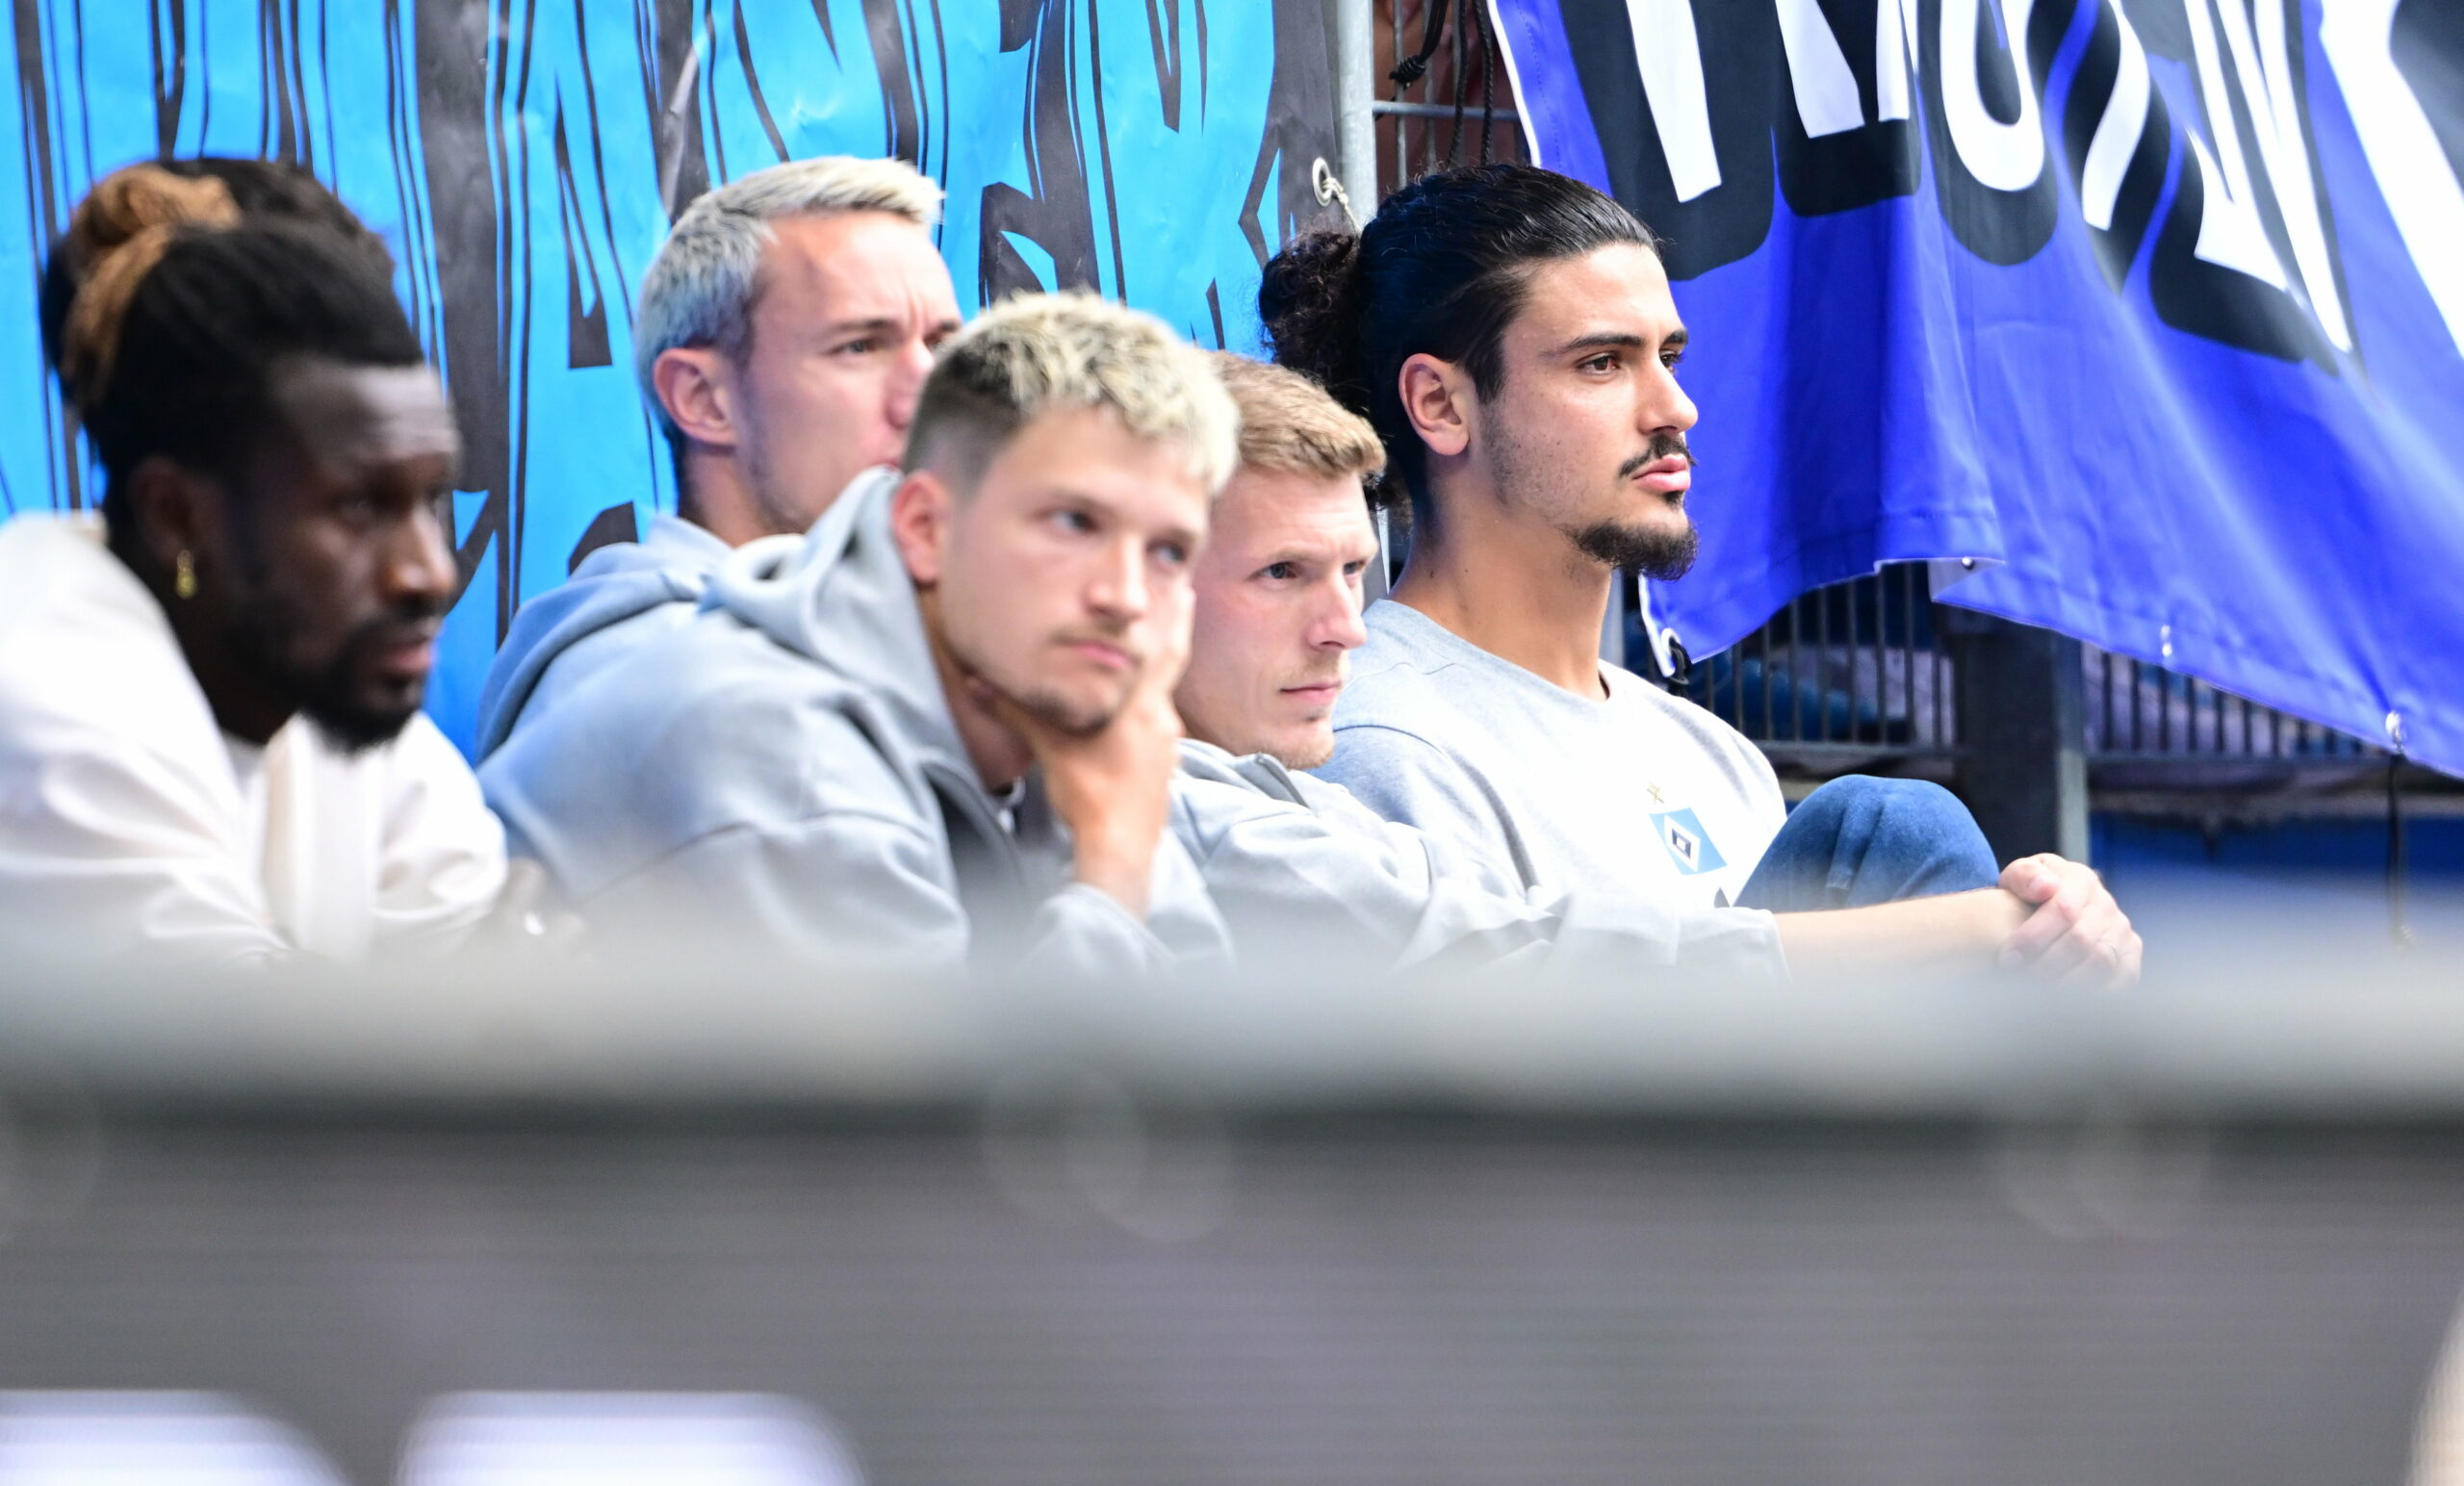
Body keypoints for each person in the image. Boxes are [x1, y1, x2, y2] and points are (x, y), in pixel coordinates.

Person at [1259, 163, 2138, 984]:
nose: (1675, 409)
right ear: (1441, 404)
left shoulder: (1712, 753)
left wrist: (2050, 928)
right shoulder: (1380, 742)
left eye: (1667, 358)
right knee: (1890, 826)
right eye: (1602, 363)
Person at [478, 294, 1233, 976]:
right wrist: (1114, 865)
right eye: (1073, 523)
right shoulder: (784, 756)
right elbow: (969, 1124)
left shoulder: (1051, 708)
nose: (1125, 597)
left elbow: (1215, 1068)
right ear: (925, 529)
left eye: (1169, 552)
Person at [0, 163, 508, 965]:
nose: (430, 573)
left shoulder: (316, 669)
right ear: (178, 512)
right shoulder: (46, 682)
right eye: (356, 504)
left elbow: (512, 987)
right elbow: (268, 1080)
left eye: (428, 499)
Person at [474, 155, 962, 760]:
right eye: (859, 347)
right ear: (703, 399)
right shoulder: (655, 680)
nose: (930, 395)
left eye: (943, 347)